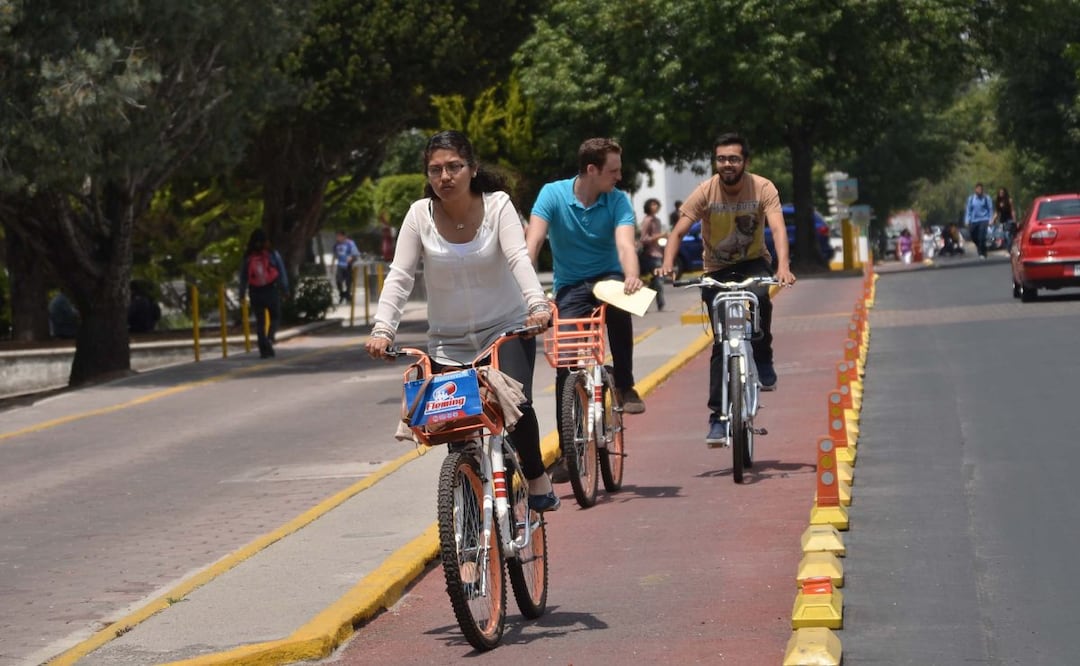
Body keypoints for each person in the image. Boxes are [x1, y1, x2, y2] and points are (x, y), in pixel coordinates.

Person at [365, 130, 559, 513]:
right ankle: (469, 538)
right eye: (435, 169)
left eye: (454, 166)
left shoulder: (498, 205)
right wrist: (382, 328)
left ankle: (536, 476)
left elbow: (519, 257)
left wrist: (537, 305)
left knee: (514, 407)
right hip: (446, 341)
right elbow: (400, 276)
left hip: (505, 329)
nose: (445, 177)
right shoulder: (419, 215)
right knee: (458, 433)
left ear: (472, 169)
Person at [657, 132, 796, 447]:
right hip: (717, 270)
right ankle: (718, 417)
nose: (727, 164)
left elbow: (776, 227)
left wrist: (783, 267)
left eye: (733, 158)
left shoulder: (762, 187)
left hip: (753, 264)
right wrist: (667, 263)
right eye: (721, 159)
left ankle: (763, 358)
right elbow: (678, 230)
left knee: (760, 301)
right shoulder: (705, 192)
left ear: (745, 161)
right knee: (722, 342)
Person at [525, 137, 647, 416]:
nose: (619, 176)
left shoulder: (617, 200)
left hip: (609, 277)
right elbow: (533, 244)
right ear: (592, 170)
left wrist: (631, 276)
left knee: (619, 308)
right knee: (565, 358)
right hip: (570, 285)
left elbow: (626, 244)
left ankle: (625, 385)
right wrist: (527, 293)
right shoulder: (552, 194)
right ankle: (570, 438)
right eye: (613, 171)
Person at [239, 228, 290, 359]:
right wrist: (285, 289)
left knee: (260, 322)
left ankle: (264, 349)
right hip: (270, 289)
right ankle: (270, 337)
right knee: (276, 316)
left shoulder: (248, 256)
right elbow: (281, 272)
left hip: (255, 291)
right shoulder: (272, 254)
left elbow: (243, 277)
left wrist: (241, 293)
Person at [637, 198, 666, 311]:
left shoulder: (657, 220)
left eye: (656, 204)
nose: (655, 206)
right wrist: (658, 236)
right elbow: (643, 238)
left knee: (655, 281)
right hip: (650, 254)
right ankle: (660, 303)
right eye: (652, 204)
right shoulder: (647, 220)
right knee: (658, 280)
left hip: (658, 253)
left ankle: (649, 303)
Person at [964, 182, 994, 259]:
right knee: (973, 236)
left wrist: (991, 219)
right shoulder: (971, 199)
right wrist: (967, 220)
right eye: (978, 189)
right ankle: (982, 248)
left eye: (981, 189)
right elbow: (968, 210)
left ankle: (981, 253)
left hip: (984, 219)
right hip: (974, 220)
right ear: (975, 189)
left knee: (981, 236)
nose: (979, 190)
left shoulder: (986, 198)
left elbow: (990, 209)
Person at [333, 230, 361, 305]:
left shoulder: (350, 243)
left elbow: (356, 254)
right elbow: (335, 254)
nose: (338, 238)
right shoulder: (336, 245)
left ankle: (348, 295)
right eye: (337, 236)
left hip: (348, 265)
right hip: (340, 265)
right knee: (338, 280)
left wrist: (351, 257)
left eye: (339, 236)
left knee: (348, 282)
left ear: (343, 236)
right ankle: (342, 294)